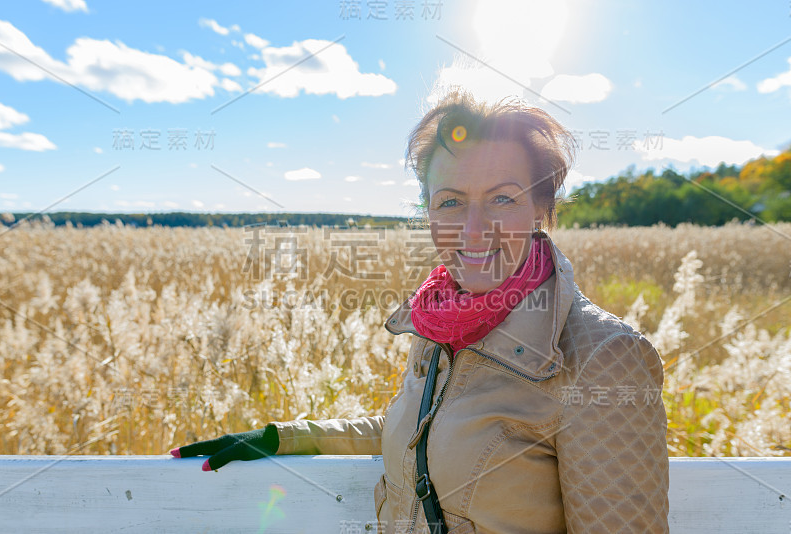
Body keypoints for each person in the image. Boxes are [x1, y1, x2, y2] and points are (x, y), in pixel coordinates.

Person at [171, 90, 670, 533]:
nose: (473, 231)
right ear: (427, 211)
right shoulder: (441, 321)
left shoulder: (604, 357)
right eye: (450, 202)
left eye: (502, 198)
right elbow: (421, 433)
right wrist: (282, 438)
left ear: (541, 207)